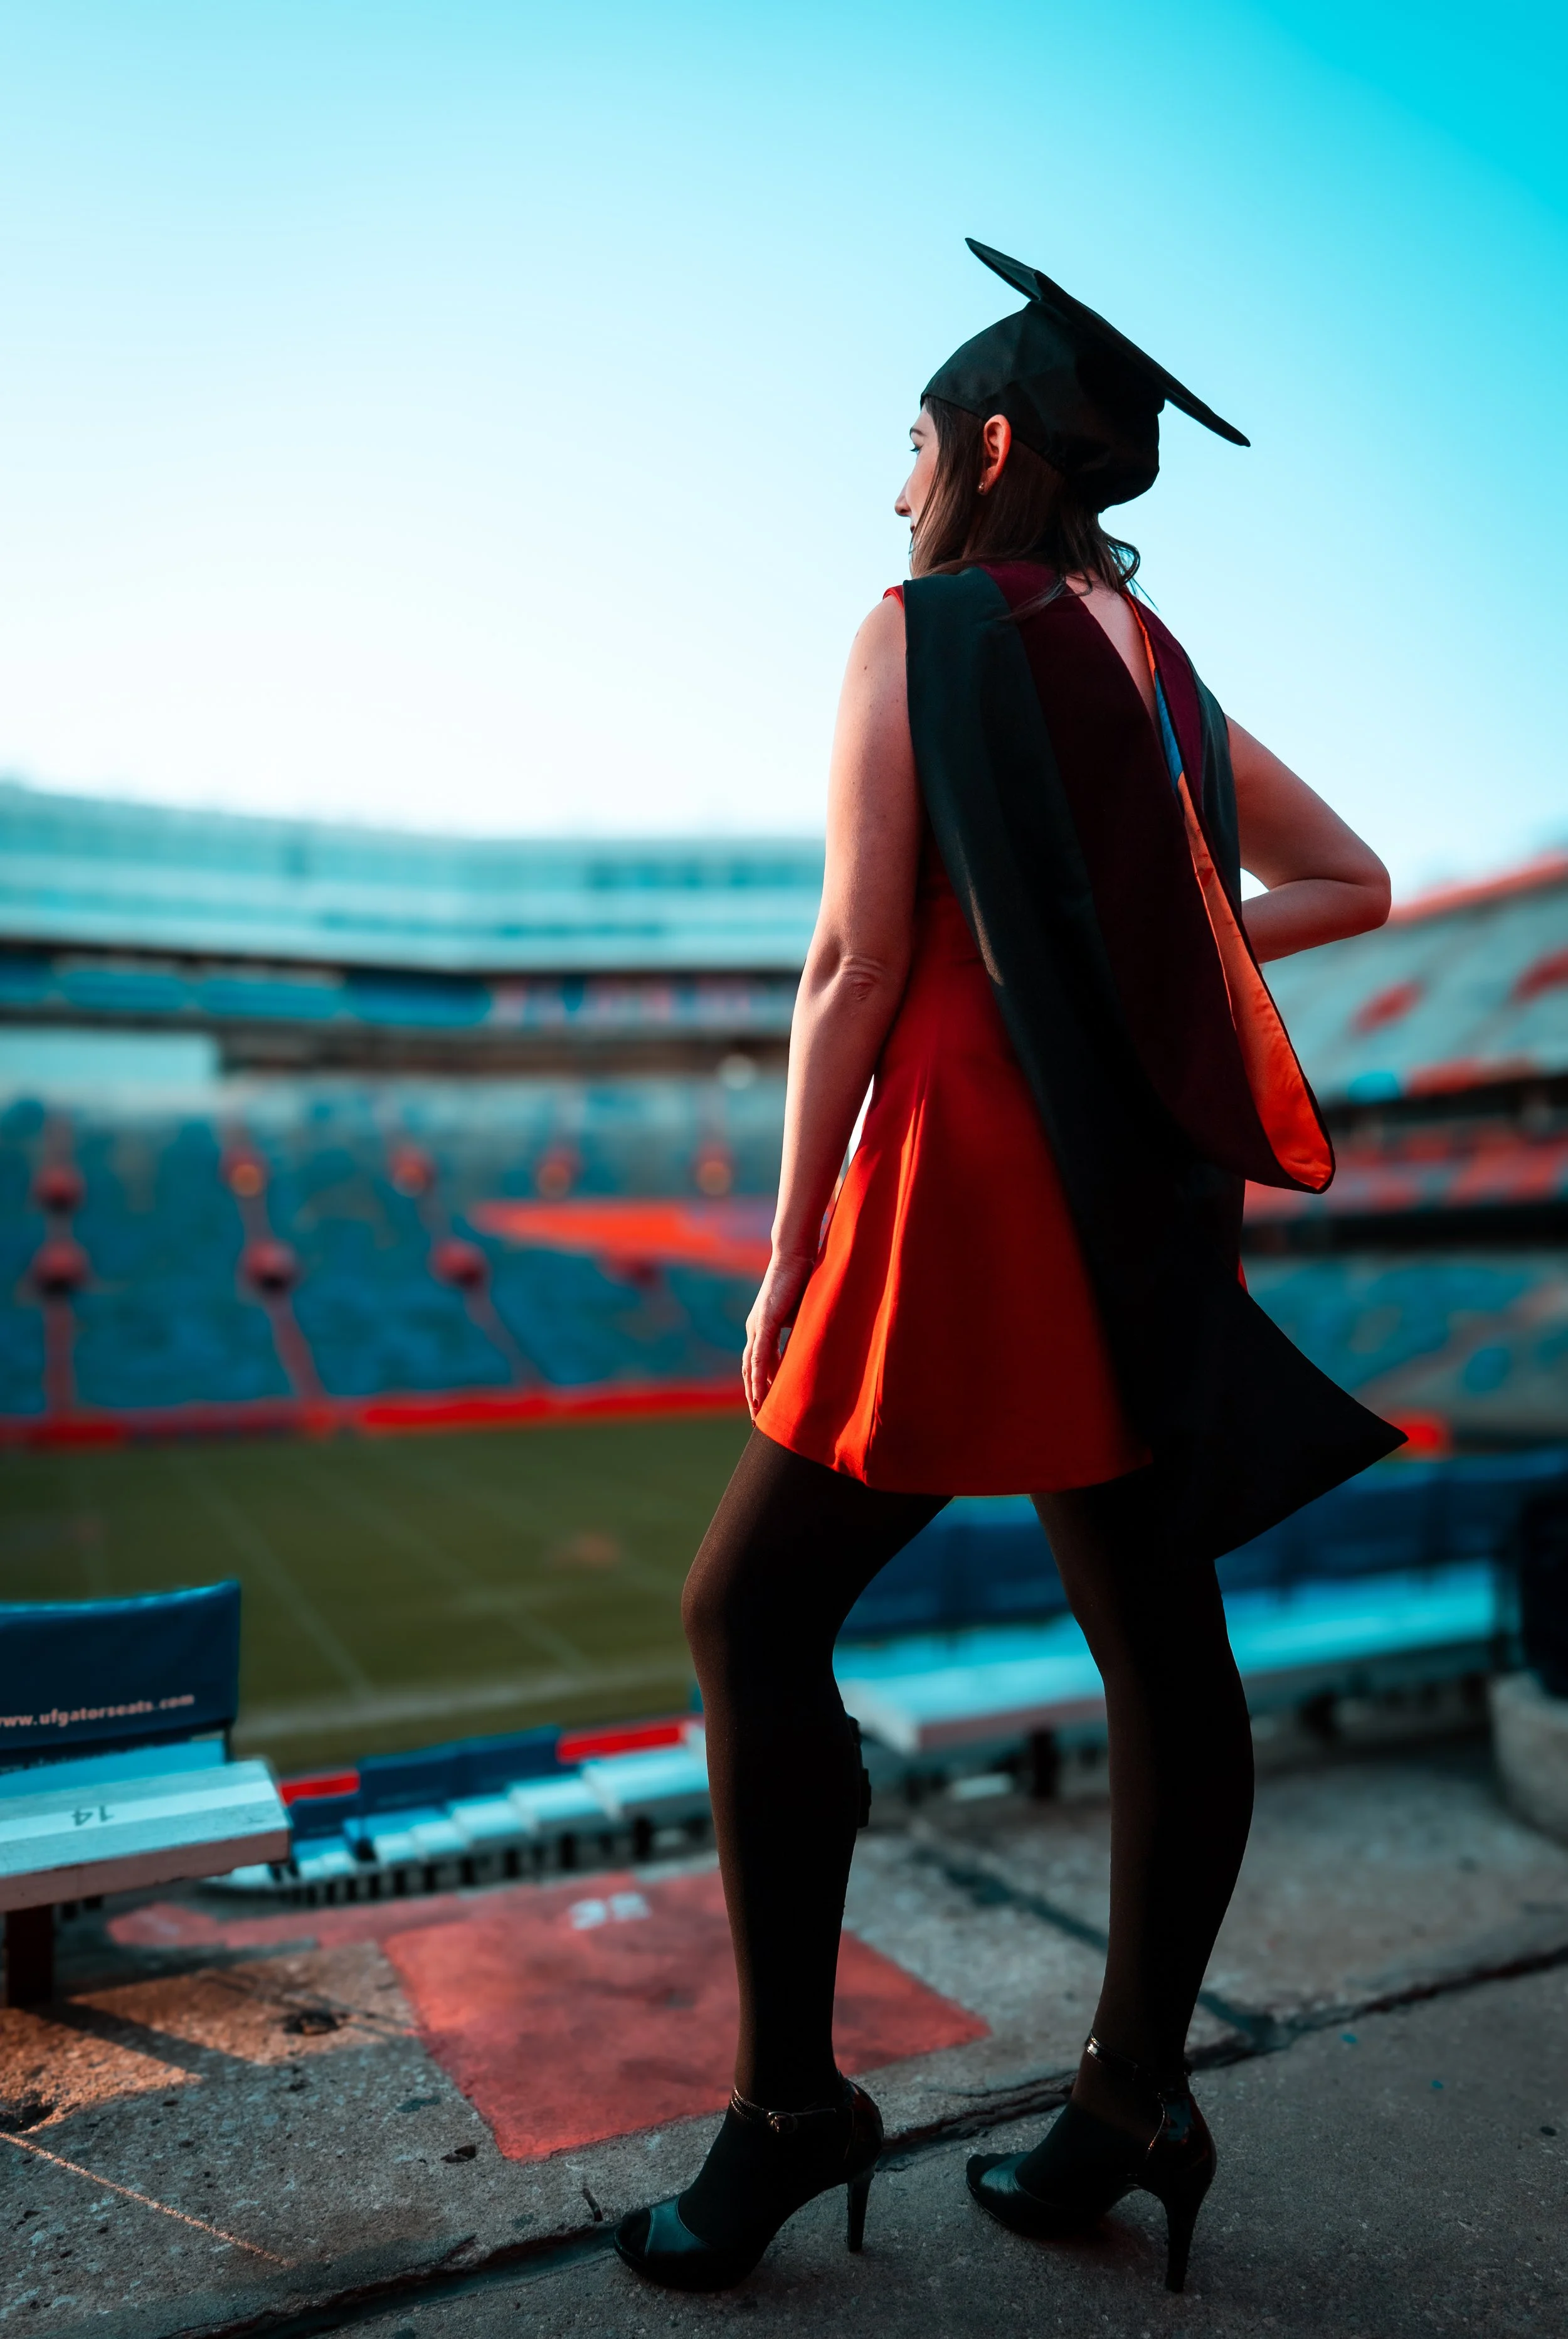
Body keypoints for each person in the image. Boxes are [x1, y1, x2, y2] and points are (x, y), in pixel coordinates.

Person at [615, 240, 1397, 2299]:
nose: (891, 489)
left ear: (979, 444)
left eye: (907, 447)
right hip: (1136, 1193)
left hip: (963, 1180)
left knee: (750, 1612)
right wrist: (1158, 977)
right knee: (1158, 1649)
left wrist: (788, 1250)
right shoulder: (1158, 665)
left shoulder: (916, 626)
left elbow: (854, 966)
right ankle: (1131, 2099)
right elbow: (1349, 884)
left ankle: (794, 2112)